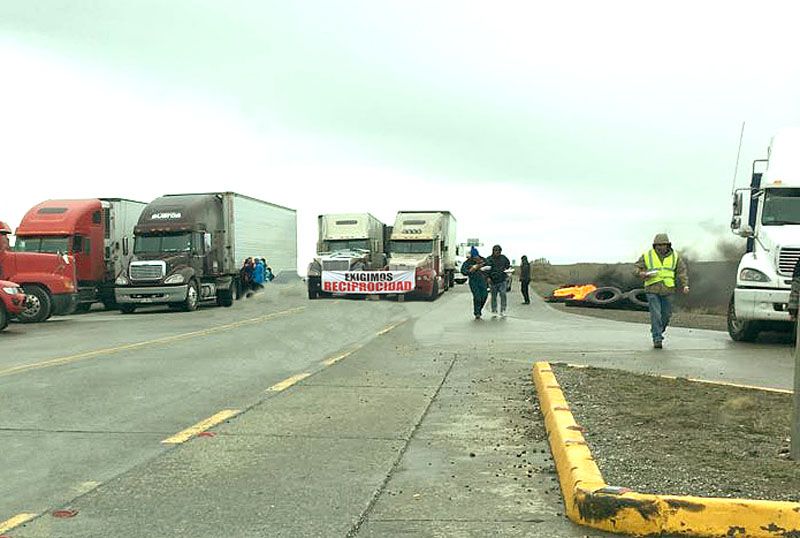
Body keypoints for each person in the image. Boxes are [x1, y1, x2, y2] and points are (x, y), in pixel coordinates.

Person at [634, 233, 689, 349]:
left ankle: (658, 330)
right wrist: (641, 273)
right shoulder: (647, 255)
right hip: (652, 289)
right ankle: (657, 338)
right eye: (658, 245)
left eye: (663, 245)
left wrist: (685, 285)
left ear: (668, 245)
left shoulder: (675, 256)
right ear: (654, 245)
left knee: (666, 315)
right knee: (656, 314)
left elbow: (681, 271)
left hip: (668, 290)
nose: (660, 247)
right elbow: (636, 268)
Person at [461, 246, 488, 319]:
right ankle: (477, 312)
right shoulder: (468, 262)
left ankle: (479, 309)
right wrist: (470, 270)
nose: (476, 258)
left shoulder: (484, 260)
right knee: (477, 297)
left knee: (484, 296)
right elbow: (463, 271)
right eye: (474, 257)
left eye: (477, 257)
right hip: (473, 281)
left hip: (483, 281)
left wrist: (482, 265)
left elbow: (490, 265)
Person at [484, 244, 511, 317]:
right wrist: (487, 277)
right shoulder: (489, 259)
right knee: (494, 296)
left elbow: (508, 266)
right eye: (495, 250)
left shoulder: (503, 258)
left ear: (500, 251)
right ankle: (494, 310)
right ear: (493, 251)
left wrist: (508, 271)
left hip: (502, 279)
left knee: (503, 294)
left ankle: (503, 310)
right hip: (493, 280)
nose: (497, 252)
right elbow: (486, 269)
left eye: (498, 251)